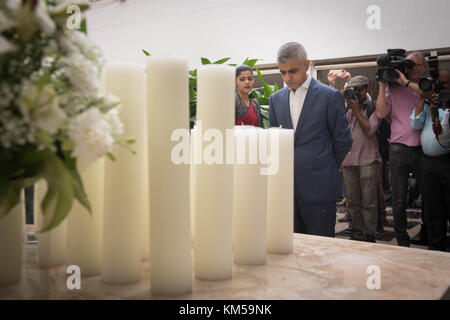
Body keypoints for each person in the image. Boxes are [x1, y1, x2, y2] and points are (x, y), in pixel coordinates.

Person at [269, 42, 352, 237]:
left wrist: (325, 165)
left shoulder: (329, 96)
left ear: (306, 65)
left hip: (320, 188)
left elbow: (343, 139)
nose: (288, 78)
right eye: (283, 73)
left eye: (293, 71)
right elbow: (275, 140)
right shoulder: (276, 99)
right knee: (292, 248)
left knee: (321, 249)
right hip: (286, 190)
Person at [375, 51, 427, 247]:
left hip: (423, 149)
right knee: (398, 199)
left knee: (429, 197)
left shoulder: (426, 83)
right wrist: (382, 85)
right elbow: (380, 112)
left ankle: (428, 234)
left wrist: (405, 82)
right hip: (398, 148)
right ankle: (402, 240)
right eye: (408, 64)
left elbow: (426, 94)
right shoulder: (393, 88)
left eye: (415, 65)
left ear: (423, 67)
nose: (412, 68)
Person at [410, 69, 450, 251]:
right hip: (428, 163)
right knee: (432, 209)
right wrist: (422, 99)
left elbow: (444, 133)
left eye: (444, 83)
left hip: (446, 161)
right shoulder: (427, 104)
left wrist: (441, 107)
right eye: (438, 83)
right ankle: (436, 246)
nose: (440, 86)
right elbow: (415, 124)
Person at [342, 76, 382, 243]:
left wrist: (356, 109)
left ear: (365, 89)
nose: (355, 93)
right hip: (348, 161)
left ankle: (369, 236)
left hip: (367, 160)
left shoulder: (373, 107)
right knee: (352, 202)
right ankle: (356, 233)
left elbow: (369, 130)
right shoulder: (345, 107)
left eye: (357, 89)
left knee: (369, 202)